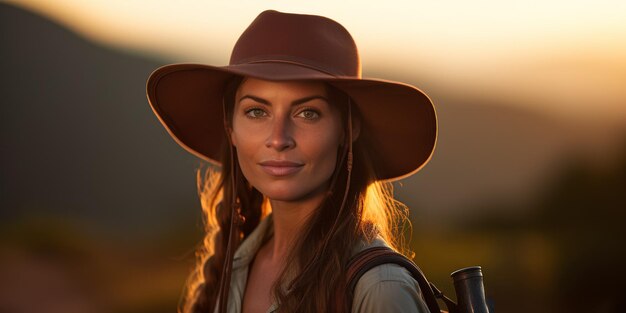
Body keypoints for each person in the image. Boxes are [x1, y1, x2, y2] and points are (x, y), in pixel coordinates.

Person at [146, 10, 437, 313]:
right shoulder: (234, 268)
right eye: (257, 112)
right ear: (230, 126)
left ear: (347, 130)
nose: (278, 138)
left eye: (307, 112)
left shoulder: (379, 289)